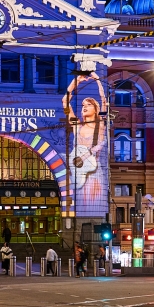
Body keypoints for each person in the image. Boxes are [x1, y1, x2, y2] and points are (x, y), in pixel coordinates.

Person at [63, 72, 108, 212]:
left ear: (96, 109)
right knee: (79, 205)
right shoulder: (77, 126)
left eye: (88, 104)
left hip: (93, 173)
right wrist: (75, 83)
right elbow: (65, 102)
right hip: (78, 173)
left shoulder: (99, 126)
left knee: (93, 206)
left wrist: (98, 81)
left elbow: (104, 101)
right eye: (83, 105)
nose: (84, 106)